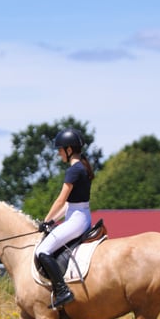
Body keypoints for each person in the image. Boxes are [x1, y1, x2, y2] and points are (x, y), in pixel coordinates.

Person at [35, 127, 95, 309]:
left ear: (69, 149)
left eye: (60, 149)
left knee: (42, 251)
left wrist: (45, 220)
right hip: (80, 216)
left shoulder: (73, 171)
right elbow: (70, 204)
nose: (59, 153)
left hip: (76, 220)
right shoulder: (82, 167)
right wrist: (53, 221)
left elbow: (61, 200)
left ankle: (62, 290)